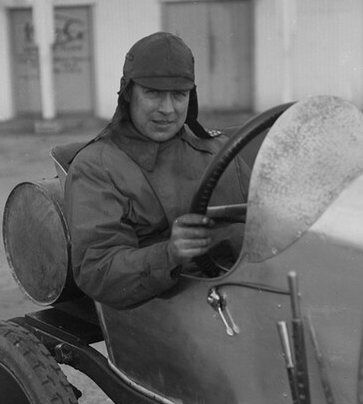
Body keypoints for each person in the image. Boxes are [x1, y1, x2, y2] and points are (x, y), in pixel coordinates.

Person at [64, 32, 250, 310]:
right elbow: (97, 271)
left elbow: (266, 221)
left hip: (246, 293)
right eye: (153, 93)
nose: (167, 109)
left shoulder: (219, 150)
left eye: (179, 95)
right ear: (128, 94)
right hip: (164, 313)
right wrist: (169, 253)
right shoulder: (96, 166)